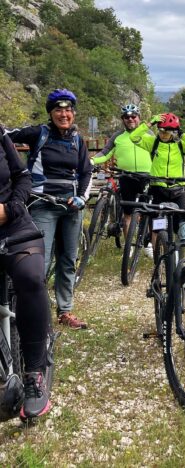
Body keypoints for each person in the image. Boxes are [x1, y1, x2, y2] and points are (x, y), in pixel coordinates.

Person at [7, 89, 92, 330]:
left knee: (67, 260)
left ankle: (65, 311)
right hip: (42, 204)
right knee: (38, 262)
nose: (64, 114)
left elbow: (86, 171)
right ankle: (31, 310)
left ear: (73, 113)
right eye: (58, 110)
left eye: (68, 110)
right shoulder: (39, 134)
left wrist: (82, 199)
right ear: (51, 113)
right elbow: (7, 135)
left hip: (71, 206)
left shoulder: (77, 139)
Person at [0, 127, 51, 419]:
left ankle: (34, 374)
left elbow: (22, 175)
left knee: (31, 277)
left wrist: (13, 206)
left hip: (13, 223)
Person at [129, 112, 185, 242]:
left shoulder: (180, 145)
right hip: (158, 187)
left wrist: (181, 133)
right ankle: (158, 253)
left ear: (173, 132)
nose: (162, 135)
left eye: (167, 132)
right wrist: (149, 124)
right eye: (161, 131)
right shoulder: (153, 142)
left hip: (178, 188)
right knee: (157, 223)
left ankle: (181, 253)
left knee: (181, 224)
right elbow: (134, 137)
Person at [91, 104, 153, 242]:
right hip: (126, 177)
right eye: (126, 117)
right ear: (122, 119)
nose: (130, 119)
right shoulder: (117, 136)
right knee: (128, 214)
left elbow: (158, 153)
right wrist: (90, 161)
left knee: (148, 212)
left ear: (139, 117)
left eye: (133, 116)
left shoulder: (148, 134)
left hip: (147, 177)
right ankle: (128, 247)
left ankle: (147, 244)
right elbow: (105, 153)